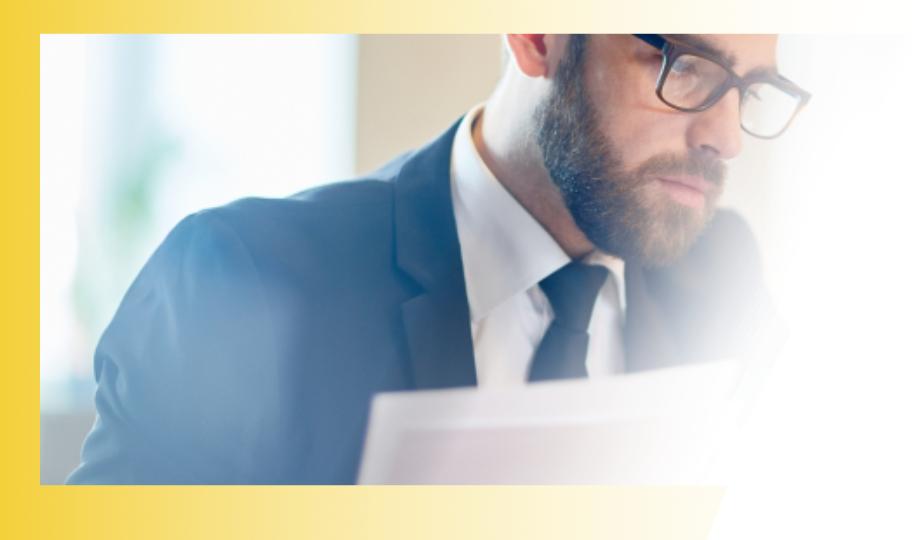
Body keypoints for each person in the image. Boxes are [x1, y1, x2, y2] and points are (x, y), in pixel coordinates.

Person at [67, 34, 808, 484]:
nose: (727, 137)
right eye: (685, 67)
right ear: (538, 37)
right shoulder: (240, 280)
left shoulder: (720, 276)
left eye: (751, 89)